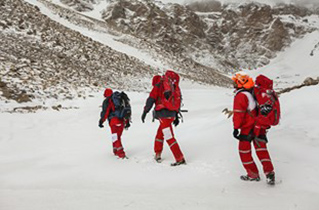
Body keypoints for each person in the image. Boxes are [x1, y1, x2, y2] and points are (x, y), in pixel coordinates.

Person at [232, 71, 275, 184]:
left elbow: (238, 114)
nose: (234, 84)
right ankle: (270, 173)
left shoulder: (241, 95)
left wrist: (236, 128)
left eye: (235, 82)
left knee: (244, 152)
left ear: (240, 82)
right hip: (259, 126)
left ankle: (253, 175)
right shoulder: (254, 92)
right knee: (261, 150)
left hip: (248, 128)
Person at [141, 71, 186, 166]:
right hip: (172, 114)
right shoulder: (173, 86)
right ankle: (157, 153)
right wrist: (176, 116)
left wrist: (145, 112)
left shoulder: (158, 85)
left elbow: (151, 99)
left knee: (169, 137)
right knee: (160, 134)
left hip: (164, 115)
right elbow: (176, 101)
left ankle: (179, 158)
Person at [98, 88, 131, 159]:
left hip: (113, 122)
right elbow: (126, 111)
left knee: (115, 137)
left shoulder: (107, 101)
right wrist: (127, 122)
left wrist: (101, 121)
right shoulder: (120, 99)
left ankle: (121, 154)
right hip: (122, 121)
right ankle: (115, 150)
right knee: (117, 137)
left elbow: (105, 113)